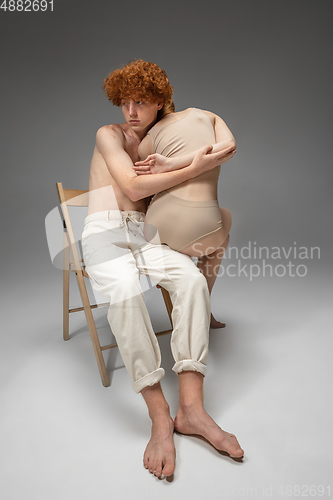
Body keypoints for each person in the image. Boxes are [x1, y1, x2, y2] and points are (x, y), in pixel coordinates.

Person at [82, 59, 243, 479]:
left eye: (141, 101)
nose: (130, 110)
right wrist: (193, 166)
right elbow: (134, 187)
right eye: (125, 101)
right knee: (123, 290)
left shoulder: (161, 142)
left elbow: (224, 149)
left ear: (160, 104)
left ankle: (192, 410)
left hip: (145, 234)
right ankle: (159, 415)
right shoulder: (110, 135)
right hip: (104, 233)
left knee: (191, 281)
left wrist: (182, 164)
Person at [134, 106, 236, 328]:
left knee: (190, 233)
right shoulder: (207, 115)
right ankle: (203, 311)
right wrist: (175, 163)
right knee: (223, 228)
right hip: (200, 229)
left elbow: (144, 189)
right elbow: (228, 147)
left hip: (154, 226)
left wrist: (169, 163)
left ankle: (169, 271)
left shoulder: (146, 143)